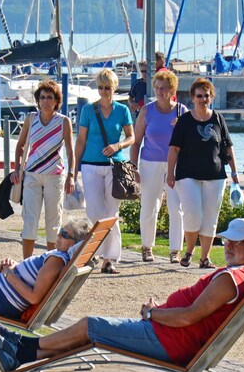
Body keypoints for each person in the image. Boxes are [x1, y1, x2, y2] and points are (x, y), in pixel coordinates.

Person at [0, 218, 244, 372]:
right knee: (90, 331)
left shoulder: (230, 279)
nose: (230, 246)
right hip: (167, 333)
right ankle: (21, 351)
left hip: (170, 341)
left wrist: (154, 314)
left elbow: (189, 316)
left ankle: (21, 349)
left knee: (90, 326)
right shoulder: (238, 275)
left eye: (238, 243)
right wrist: (160, 312)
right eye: (228, 240)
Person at [166, 78, 238, 269]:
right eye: (199, 96)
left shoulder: (218, 118)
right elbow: (174, 149)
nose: (203, 99)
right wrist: (169, 173)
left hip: (215, 174)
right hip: (187, 174)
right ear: (192, 97)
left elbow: (228, 147)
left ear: (211, 97)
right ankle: (189, 250)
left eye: (206, 96)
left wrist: (235, 172)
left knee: (210, 218)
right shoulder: (184, 121)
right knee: (193, 213)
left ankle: (204, 257)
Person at [75, 68, 135, 274]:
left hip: (113, 166)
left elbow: (131, 137)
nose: (103, 91)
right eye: (100, 87)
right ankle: (96, 252)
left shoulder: (122, 110)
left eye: (107, 88)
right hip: (90, 164)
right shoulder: (88, 110)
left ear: (114, 88)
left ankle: (109, 258)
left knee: (111, 213)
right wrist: (74, 170)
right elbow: (80, 140)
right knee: (94, 212)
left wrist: (117, 146)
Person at [13, 80, 76, 259]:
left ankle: (50, 261)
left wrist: (71, 176)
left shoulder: (63, 122)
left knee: (53, 222)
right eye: (42, 97)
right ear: (37, 100)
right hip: (32, 175)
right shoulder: (31, 119)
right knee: (30, 221)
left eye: (50, 97)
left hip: (55, 176)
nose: (46, 101)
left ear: (57, 101)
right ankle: (26, 262)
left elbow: (71, 153)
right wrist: (17, 169)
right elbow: (20, 146)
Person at [130, 69, 187, 264]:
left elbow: (190, 142)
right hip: (149, 163)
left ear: (172, 90)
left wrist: (181, 126)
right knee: (149, 206)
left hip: (175, 165)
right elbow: (136, 141)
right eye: (157, 87)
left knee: (176, 207)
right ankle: (147, 247)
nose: (160, 91)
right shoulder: (147, 110)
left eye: (163, 88)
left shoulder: (182, 111)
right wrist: (134, 167)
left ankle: (175, 250)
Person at [128, 51, 167, 116]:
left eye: (146, 71)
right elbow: (130, 98)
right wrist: (133, 104)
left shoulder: (157, 83)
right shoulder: (137, 83)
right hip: (140, 113)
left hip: (154, 114)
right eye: (142, 71)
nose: (144, 73)